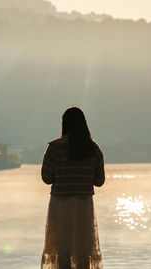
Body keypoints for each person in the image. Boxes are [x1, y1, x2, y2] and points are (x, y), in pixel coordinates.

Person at [41, 107, 105, 269]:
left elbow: (46, 178)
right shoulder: (93, 149)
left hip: (60, 205)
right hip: (84, 206)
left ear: (64, 124)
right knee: (84, 251)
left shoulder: (54, 148)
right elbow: (99, 181)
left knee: (62, 251)